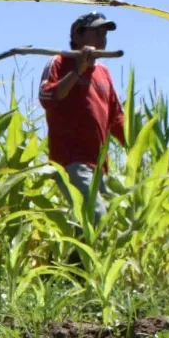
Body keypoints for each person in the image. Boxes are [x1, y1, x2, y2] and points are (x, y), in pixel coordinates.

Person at [38, 11, 127, 225]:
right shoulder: (59, 63)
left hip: (99, 166)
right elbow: (47, 97)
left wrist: (136, 145)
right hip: (71, 162)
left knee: (104, 224)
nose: (102, 37)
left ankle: (64, 259)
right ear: (77, 36)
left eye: (104, 33)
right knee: (97, 220)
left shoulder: (103, 73)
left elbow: (116, 117)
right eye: (95, 32)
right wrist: (79, 70)